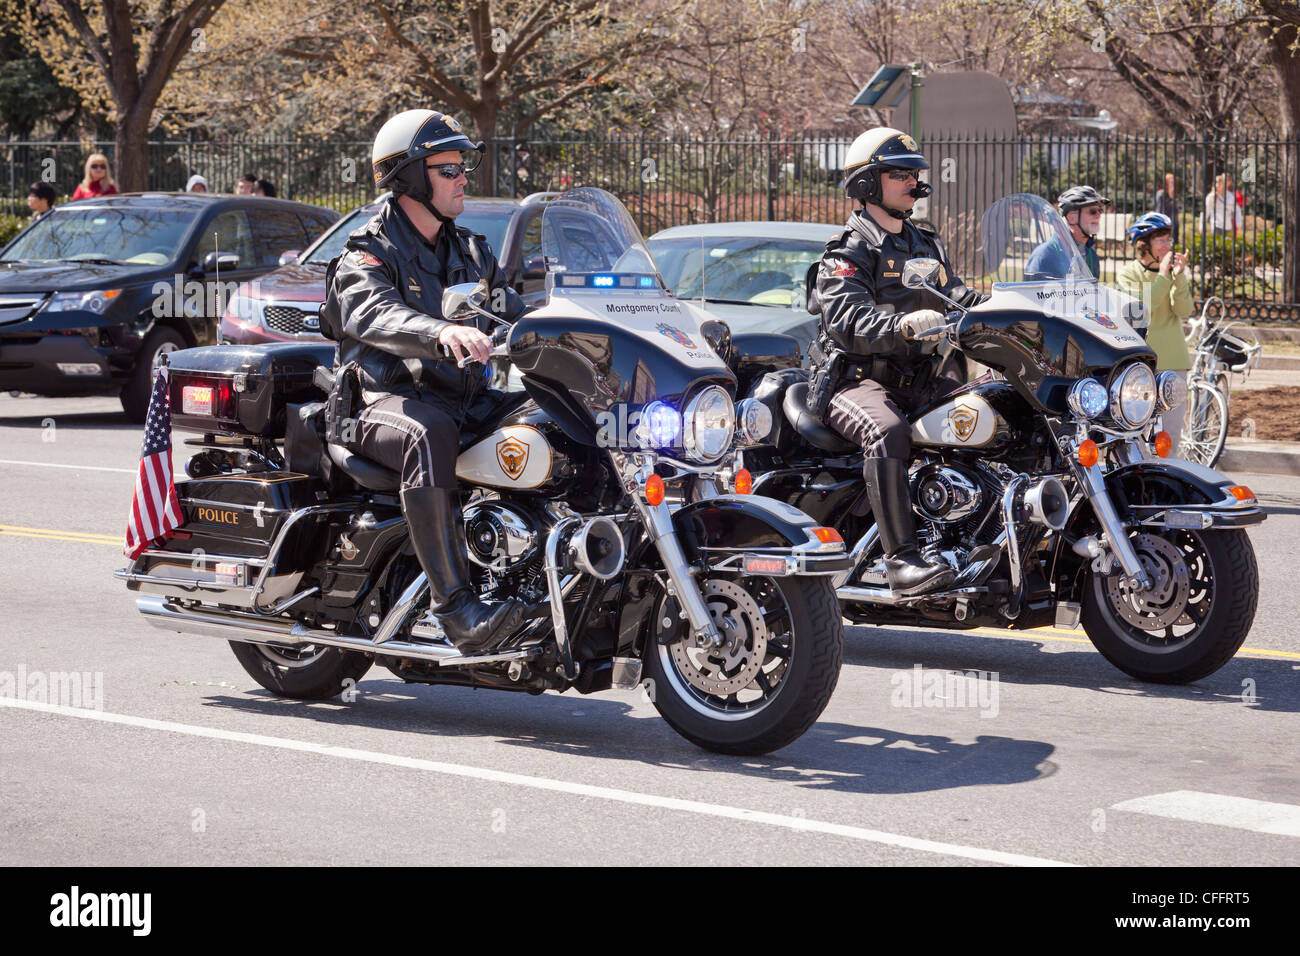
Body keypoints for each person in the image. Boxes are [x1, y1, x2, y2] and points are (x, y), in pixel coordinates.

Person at [319, 109, 528, 653]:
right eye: (448, 168)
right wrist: (441, 333)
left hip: (462, 399)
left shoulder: (472, 252)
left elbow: (521, 318)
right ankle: (457, 609)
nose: (464, 178)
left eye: (464, 166)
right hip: (376, 403)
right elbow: (373, 313)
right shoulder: (367, 251)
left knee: (545, 416)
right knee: (427, 430)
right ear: (410, 177)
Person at [807, 127, 986, 597]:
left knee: (995, 410)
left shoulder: (924, 243)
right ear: (868, 183)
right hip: (854, 382)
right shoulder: (848, 249)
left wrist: (1003, 307)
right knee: (886, 430)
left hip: (921, 380)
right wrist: (901, 325)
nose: (912, 181)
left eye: (913, 173)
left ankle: (976, 537)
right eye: (900, 173)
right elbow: (845, 318)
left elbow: (956, 296)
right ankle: (901, 561)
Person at [1116, 212, 1193, 449]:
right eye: (1161, 239)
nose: (1167, 245)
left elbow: (1184, 310)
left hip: (1174, 364)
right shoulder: (1128, 274)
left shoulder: (1172, 276)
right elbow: (1141, 310)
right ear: (1145, 244)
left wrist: (1178, 279)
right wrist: (1162, 277)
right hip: (1143, 367)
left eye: (1169, 239)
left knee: (1169, 438)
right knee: (1138, 436)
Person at [1024, 185, 1109, 281]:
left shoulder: (1092, 255)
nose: (1098, 215)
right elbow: (1031, 294)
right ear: (1072, 217)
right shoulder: (1044, 256)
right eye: (1092, 211)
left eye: (1100, 210)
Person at [1154, 173, 1179, 244]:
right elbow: (1158, 210)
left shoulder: (1174, 195)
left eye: (1174, 182)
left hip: (1174, 225)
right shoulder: (1161, 194)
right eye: (1171, 182)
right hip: (1164, 225)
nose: (1173, 184)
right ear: (1166, 183)